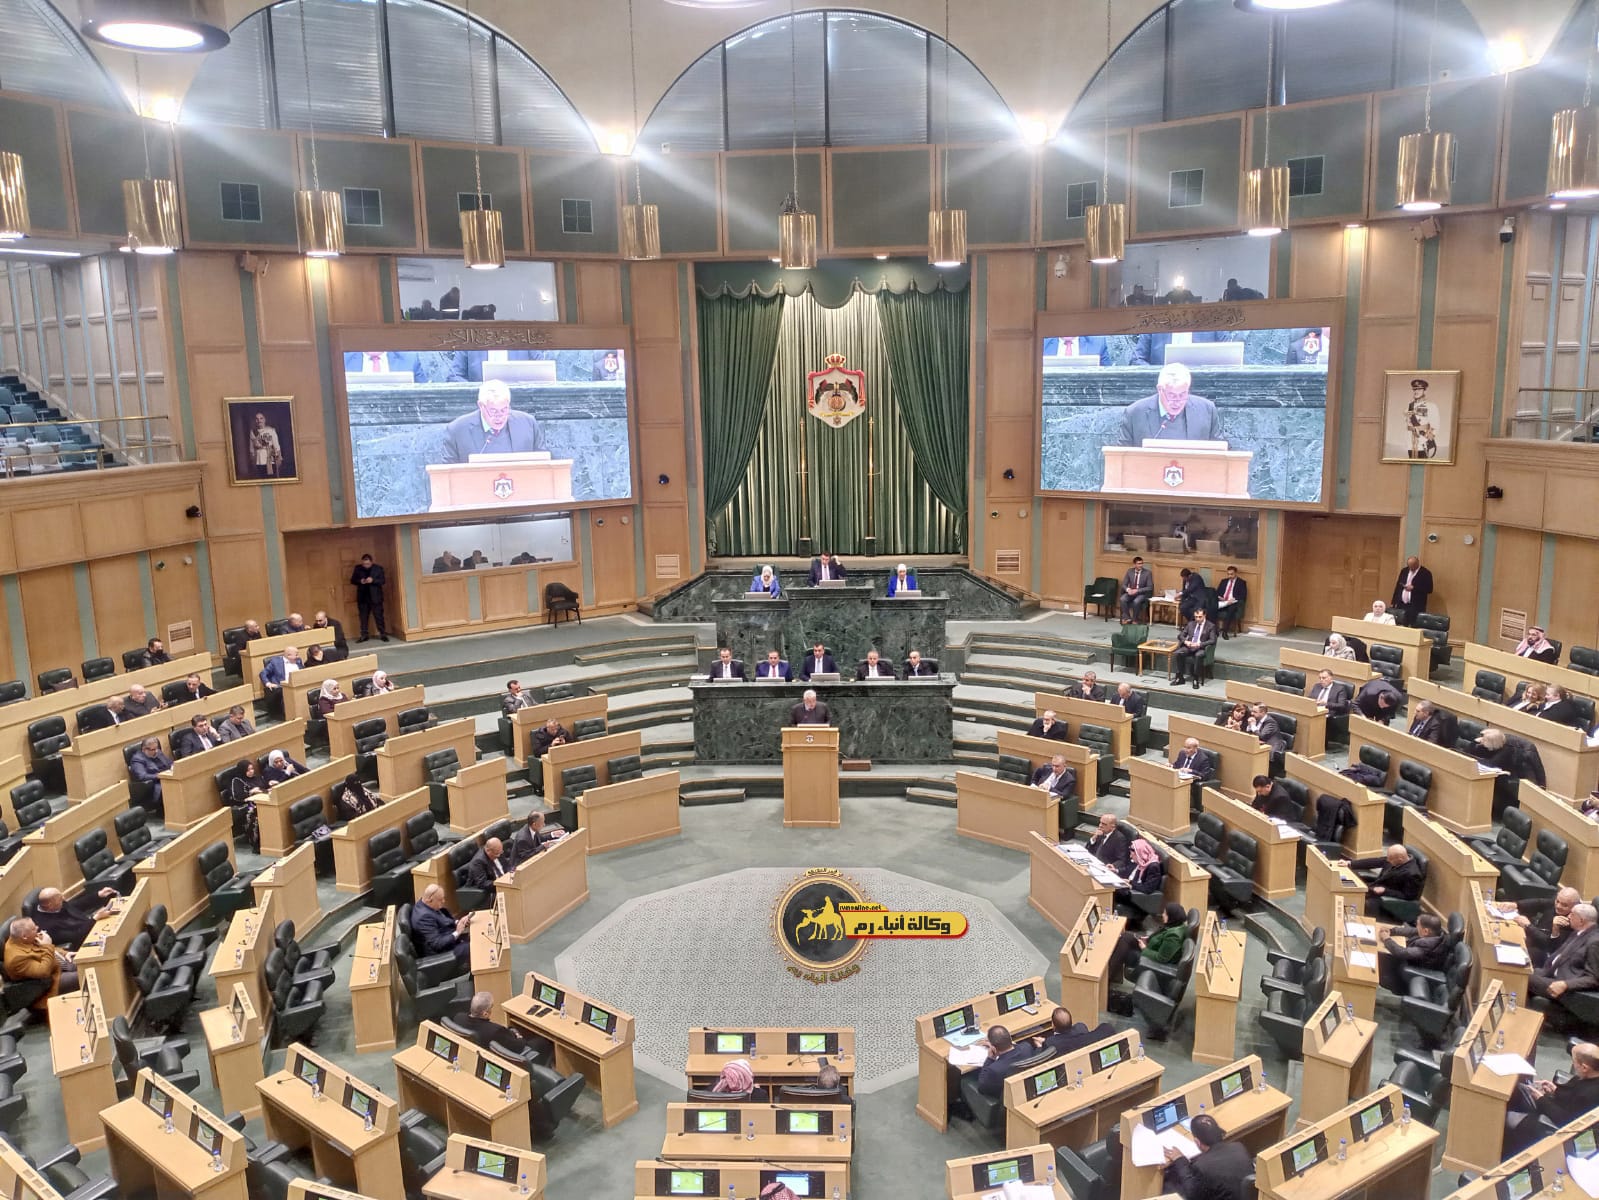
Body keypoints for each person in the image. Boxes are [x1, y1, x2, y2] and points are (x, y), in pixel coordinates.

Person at [1504, 1043, 1599, 1155]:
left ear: (1584, 1067)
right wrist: (1555, 1090)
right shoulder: (1588, 1076)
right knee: (1519, 1088)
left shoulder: (1589, 1095)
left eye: (1574, 1061)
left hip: (1554, 1124)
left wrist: (1540, 1099)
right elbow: (1571, 1095)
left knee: (1506, 1117)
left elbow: (1565, 1119)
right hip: (1554, 1105)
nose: (1573, 1064)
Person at [1106, 903, 1189, 1019]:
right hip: (1152, 947)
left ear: (1172, 916)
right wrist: (1148, 939)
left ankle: (1108, 976)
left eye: (1165, 913)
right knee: (1127, 937)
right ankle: (1110, 972)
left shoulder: (1174, 937)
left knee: (1125, 948)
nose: (1162, 915)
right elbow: (1161, 936)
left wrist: (1144, 949)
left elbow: (1162, 958)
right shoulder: (1176, 926)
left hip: (1152, 960)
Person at [440, 379, 545, 464]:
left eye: (504, 410)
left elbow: (544, 466)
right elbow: (447, 474)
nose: (499, 416)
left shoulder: (528, 424)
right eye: (493, 411)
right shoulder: (457, 430)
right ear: (481, 405)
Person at [1116, 363, 1220, 447]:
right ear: (1160, 389)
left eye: (1182, 394)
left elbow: (1221, 453)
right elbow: (1121, 456)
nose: (1178, 401)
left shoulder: (1207, 411)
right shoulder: (1135, 413)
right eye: (1172, 395)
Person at [1161, 1113, 1251, 1200]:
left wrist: (1180, 1160)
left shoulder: (1201, 1166)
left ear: (1197, 1142)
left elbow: (1193, 1195)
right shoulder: (1238, 1147)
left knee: (1168, 1185)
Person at [1528, 902, 1599, 1005]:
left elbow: (1594, 978)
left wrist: (1565, 984)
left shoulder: (1595, 942)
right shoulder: (1578, 931)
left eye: (1572, 914)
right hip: (1549, 973)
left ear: (1581, 920)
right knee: (1520, 970)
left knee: (1524, 978)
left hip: (1564, 985)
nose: (1568, 917)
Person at [459, 990, 555, 1062]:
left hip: (476, 1054)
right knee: (545, 1041)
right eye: (491, 1007)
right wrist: (519, 1037)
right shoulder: (495, 1031)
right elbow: (519, 1045)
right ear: (485, 1014)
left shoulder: (459, 1018)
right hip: (514, 1054)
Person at [1502, 888, 1581, 969]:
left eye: (1564, 905)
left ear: (1575, 907)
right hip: (1535, 937)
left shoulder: (1574, 922)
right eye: (1557, 901)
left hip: (1544, 953)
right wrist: (1516, 905)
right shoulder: (1559, 902)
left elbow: (1549, 945)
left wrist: (1528, 926)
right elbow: (1539, 903)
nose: (1558, 906)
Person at [3, 919, 74, 1008]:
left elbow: (41, 948)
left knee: (84, 961)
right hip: (50, 984)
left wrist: (64, 953)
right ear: (24, 936)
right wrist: (47, 945)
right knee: (83, 974)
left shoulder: (23, 938)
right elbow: (44, 971)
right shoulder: (16, 958)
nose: (37, 928)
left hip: (58, 966)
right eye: (33, 928)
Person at [1377, 912, 1451, 992]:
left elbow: (1402, 953)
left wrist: (1386, 939)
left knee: (1383, 959)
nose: (1416, 926)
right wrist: (1391, 931)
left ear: (1425, 931)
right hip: (1414, 959)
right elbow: (1411, 931)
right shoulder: (1435, 933)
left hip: (1418, 967)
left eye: (1418, 925)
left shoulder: (1427, 946)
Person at [1343, 844, 1424, 914]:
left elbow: (1408, 896)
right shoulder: (1395, 858)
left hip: (1385, 898)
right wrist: (1350, 863)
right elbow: (1376, 861)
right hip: (1373, 887)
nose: (1387, 860)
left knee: (1355, 903)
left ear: (1400, 859)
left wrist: (1385, 891)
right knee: (1345, 884)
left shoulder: (1413, 874)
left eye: (1390, 859)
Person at [33, 887, 117, 952]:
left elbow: (76, 905)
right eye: (60, 898)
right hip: (83, 944)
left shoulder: (55, 905)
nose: (63, 898)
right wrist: (95, 918)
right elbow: (76, 936)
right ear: (50, 905)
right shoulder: (47, 926)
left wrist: (99, 895)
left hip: (90, 926)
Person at [974, 1026, 1043, 1098]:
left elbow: (981, 1088)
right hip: (1028, 1089)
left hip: (1005, 1098)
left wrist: (990, 1059)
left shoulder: (995, 1069)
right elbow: (1018, 1047)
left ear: (993, 1048)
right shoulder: (1027, 1047)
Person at [411, 885, 472, 964]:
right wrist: (457, 932)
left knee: (476, 935)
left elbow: (443, 919)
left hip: (447, 936)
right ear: (430, 900)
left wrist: (458, 922)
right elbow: (437, 944)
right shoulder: (424, 918)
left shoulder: (426, 905)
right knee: (475, 947)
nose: (443, 901)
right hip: (440, 953)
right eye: (440, 900)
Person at [226, 760, 266, 852]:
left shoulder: (257, 778)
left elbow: (264, 787)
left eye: (252, 769)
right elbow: (236, 797)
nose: (251, 771)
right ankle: (256, 843)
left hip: (261, 800)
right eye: (248, 770)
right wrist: (251, 792)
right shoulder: (237, 781)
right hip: (244, 805)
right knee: (254, 813)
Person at [1171, 608, 1216, 688]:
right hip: (1189, 646)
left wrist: (1200, 644)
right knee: (1179, 653)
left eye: (1200, 617)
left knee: (1198, 655)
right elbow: (1181, 635)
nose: (1197, 619)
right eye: (1196, 617)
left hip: (1201, 648)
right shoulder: (1191, 624)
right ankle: (1180, 677)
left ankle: (1195, 678)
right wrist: (1186, 641)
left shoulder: (1211, 626)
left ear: (1204, 616)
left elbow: (1212, 640)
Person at [350, 554, 389, 643]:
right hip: (363, 598)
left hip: (376, 597)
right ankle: (364, 635)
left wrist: (373, 580)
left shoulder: (378, 569)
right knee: (363, 618)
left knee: (379, 617)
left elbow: (383, 581)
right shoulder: (358, 568)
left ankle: (382, 634)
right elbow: (352, 580)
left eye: (367, 564)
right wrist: (360, 581)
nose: (365, 566)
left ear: (371, 562)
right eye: (364, 564)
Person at [129, 737, 172, 811]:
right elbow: (142, 776)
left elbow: (170, 763)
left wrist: (174, 767)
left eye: (156, 748)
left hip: (168, 778)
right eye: (153, 749)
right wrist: (160, 775)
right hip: (156, 785)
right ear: (144, 749)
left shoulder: (158, 752)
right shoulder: (137, 759)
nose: (156, 751)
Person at [1117, 839, 1164, 905]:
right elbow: (1128, 869)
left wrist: (1131, 884)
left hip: (1135, 896)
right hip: (1127, 886)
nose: (1130, 856)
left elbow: (1147, 888)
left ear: (1139, 854)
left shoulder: (1153, 867)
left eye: (1132, 855)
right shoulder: (1141, 860)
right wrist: (1116, 870)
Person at [1390, 556, 1433, 626]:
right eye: (1409, 566)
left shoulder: (1426, 573)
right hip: (1401, 604)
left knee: (1413, 625)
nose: (1410, 568)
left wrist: (1414, 588)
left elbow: (1429, 589)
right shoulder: (1404, 571)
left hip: (1415, 605)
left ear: (1417, 564)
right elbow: (1398, 586)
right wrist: (1393, 601)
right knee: (1400, 624)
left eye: (1412, 566)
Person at [1214, 566, 1247, 637]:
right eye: (1228, 574)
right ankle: (1213, 629)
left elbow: (1243, 595)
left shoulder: (1241, 582)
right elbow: (1217, 592)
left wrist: (1233, 599)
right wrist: (1220, 597)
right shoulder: (1224, 581)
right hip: (1223, 601)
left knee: (1231, 608)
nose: (1230, 576)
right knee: (1211, 606)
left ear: (1236, 573)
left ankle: (1225, 631)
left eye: (1231, 574)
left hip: (1233, 602)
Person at [1119, 556, 1154, 622]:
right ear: (1134, 564)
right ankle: (1127, 618)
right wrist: (1128, 590)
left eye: (1142, 563)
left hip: (1141, 594)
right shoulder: (1130, 571)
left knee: (1136, 601)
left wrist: (1137, 590)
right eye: (1139, 564)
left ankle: (1135, 619)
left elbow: (1150, 587)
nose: (1141, 565)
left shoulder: (1148, 573)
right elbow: (1124, 584)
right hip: (1131, 592)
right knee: (1122, 599)